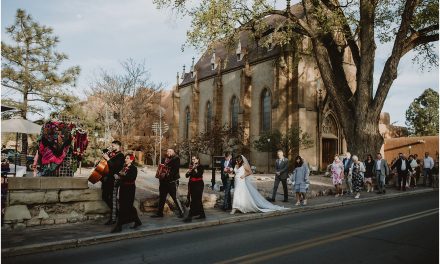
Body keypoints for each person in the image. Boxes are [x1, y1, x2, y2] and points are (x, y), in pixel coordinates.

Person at [111, 154, 142, 233]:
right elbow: (120, 174)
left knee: (124, 207)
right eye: (125, 158)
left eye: (127, 158)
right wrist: (117, 175)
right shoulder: (124, 167)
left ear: (131, 160)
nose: (125, 159)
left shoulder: (133, 168)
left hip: (130, 189)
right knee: (126, 206)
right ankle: (137, 220)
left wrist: (120, 177)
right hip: (123, 188)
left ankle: (119, 226)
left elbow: (131, 178)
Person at [151, 149, 184, 218]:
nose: (168, 153)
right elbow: (161, 168)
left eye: (170, 151)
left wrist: (166, 175)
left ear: (173, 152)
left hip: (172, 182)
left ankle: (181, 212)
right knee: (162, 197)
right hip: (163, 182)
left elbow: (175, 170)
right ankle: (159, 213)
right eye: (167, 151)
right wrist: (159, 174)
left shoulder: (176, 159)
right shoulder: (164, 159)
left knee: (175, 197)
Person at [101, 140, 125, 225]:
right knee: (104, 196)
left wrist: (108, 159)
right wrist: (107, 149)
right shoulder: (112, 154)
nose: (112, 147)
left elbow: (115, 167)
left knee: (112, 198)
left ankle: (114, 217)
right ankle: (116, 212)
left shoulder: (121, 156)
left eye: (113, 145)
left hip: (113, 180)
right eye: (112, 145)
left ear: (118, 146)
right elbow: (103, 151)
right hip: (106, 179)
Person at [183, 156, 205, 222]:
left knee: (195, 200)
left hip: (198, 184)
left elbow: (198, 174)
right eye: (192, 159)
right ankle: (202, 214)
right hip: (192, 184)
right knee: (197, 200)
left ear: (198, 159)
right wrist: (189, 171)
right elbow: (186, 176)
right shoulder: (191, 166)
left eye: (194, 159)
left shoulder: (201, 166)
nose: (193, 160)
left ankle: (190, 216)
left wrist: (194, 169)